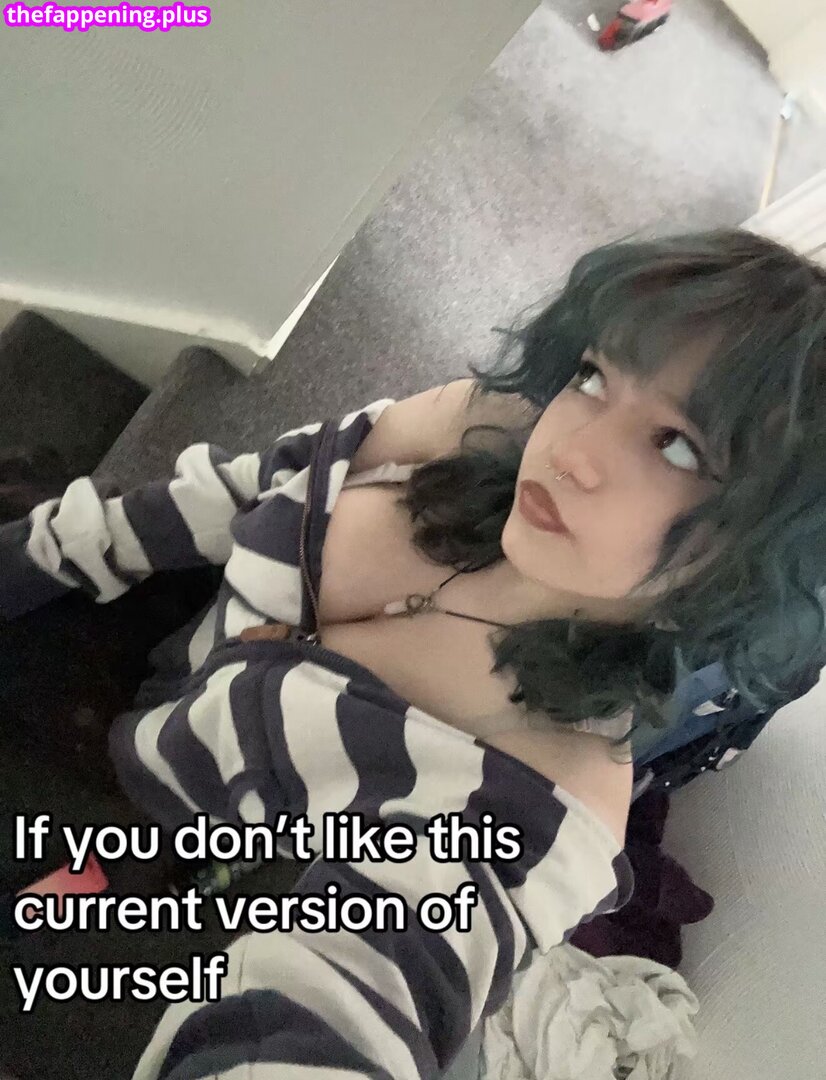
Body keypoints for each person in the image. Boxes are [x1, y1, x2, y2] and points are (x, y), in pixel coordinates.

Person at [2, 228, 825, 1079]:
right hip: (149, 657)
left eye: (677, 446)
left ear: (758, 549)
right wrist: (42, 555)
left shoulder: (541, 804)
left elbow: (346, 1000)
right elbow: (258, 482)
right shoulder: (479, 427)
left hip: (161, 838)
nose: (571, 451)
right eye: (594, 376)